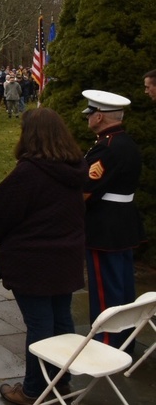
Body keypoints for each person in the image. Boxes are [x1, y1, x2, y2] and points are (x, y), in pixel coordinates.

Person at [0, 108, 87, 405]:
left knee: (41, 324)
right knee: (61, 320)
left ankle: (32, 389)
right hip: (64, 261)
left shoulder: (28, 173)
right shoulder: (74, 168)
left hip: (33, 264)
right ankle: (60, 379)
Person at [81, 89, 146, 349]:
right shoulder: (126, 142)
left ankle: (107, 342)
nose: (88, 119)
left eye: (90, 115)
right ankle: (125, 339)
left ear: (99, 117)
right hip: (123, 221)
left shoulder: (106, 148)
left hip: (104, 226)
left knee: (105, 287)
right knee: (122, 283)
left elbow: (87, 190)